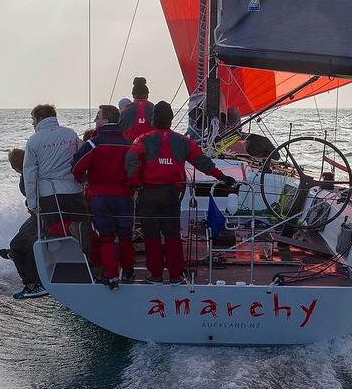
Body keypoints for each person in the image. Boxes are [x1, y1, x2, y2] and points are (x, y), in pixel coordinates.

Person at [125, 100, 236, 284]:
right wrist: (222, 176)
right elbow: (202, 162)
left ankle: (155, 275)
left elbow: (130, 157)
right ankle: (176, 275)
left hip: (148, 194)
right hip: (171, 195)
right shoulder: (183, 142)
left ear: (153, 119)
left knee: (151, 236)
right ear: (171, 119)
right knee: (172, 235)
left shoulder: (142, 140)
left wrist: (134, 183)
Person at [73, 104, 135, 290]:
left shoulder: (94, 143)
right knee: (125, 236)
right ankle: (129, 272)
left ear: (106, 120)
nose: (95, 120)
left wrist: (81, 178)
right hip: (124, 196)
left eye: (98, 117)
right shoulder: (128, 144)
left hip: (100, 197)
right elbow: (135, 168)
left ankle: (111, 276)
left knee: (106, 237)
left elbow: (76, 166)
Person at [23, 104, 88, 243]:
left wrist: (32, 202)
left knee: (52, 229)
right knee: (84, 229)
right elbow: (82, 157)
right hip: (73, 189)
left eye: (33, 119)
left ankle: (69, 233)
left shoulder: (33, 140)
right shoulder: (70, 134)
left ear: (40, 118)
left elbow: (29, 174)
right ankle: (89, 260)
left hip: (49, 194)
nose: (32, 123)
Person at [0, 148, 48, 299]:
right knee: (22, 235)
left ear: (16, 168)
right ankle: (13, 254)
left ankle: (32, 285)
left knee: (17, 245)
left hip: (41, 216)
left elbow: (34, 198)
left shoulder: (27, 176)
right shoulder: (39, 170)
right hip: (40, 215)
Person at [119, 77, 155, 142]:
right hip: (150, 147)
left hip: (131, 147)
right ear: (147, 95)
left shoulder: (125, 110)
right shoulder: (154, 109)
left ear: (133, 95)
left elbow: (121, 129)